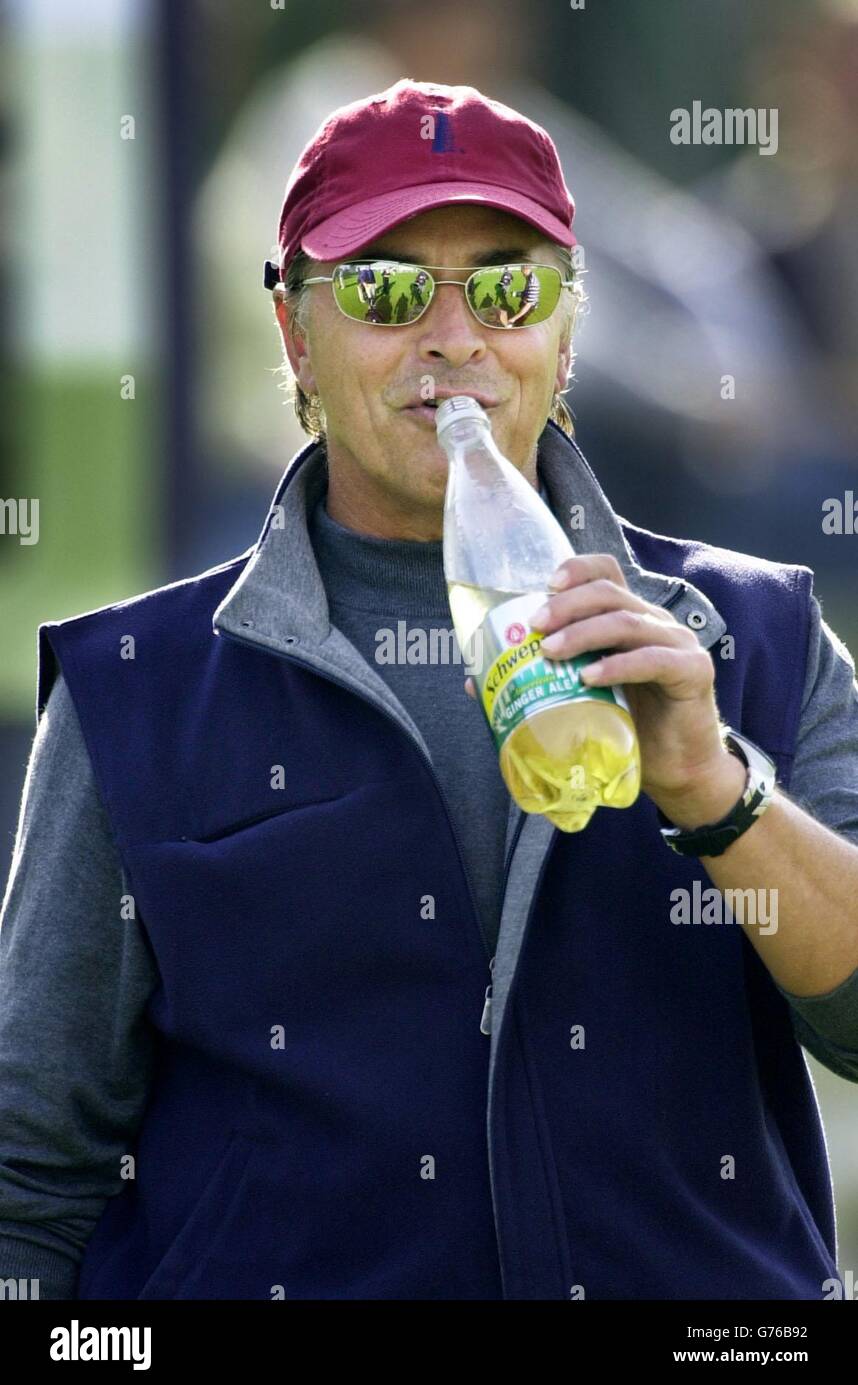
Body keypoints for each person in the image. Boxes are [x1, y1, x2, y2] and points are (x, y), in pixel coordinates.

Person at [1, 79, 857, 1302]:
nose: (454, 337)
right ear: (297, 335)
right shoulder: (135, 689)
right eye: (387, 290)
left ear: (566, 332)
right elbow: (29, 1169)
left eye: (506, 287)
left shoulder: (758, 630)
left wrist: (714, 791)